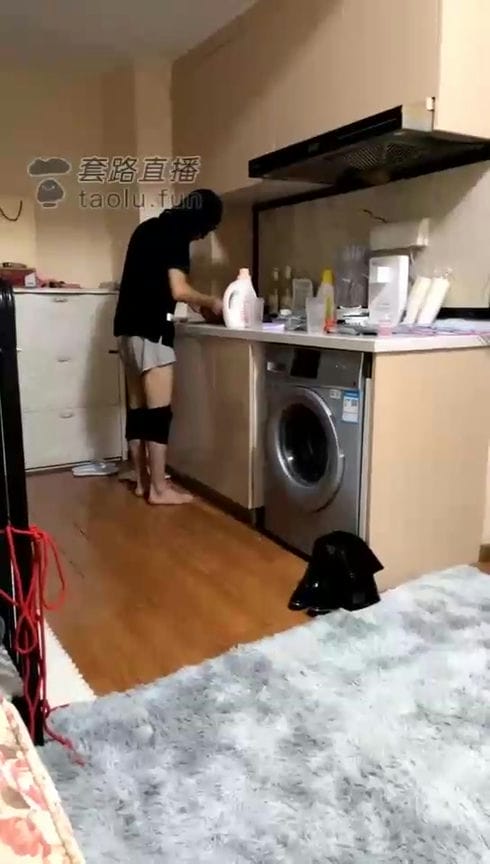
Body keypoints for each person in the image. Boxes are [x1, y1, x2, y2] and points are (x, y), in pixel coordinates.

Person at [114, 189, 224, 505]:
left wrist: (200, 305)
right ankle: (160, 490)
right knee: (158, 415)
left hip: (127, 330)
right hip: (152, 331)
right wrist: (212, 301)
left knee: (138, 413)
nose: (203, 236)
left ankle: (142, 482)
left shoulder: (146, 229)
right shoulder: (176, 234)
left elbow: (154, 283)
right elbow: (178, 290)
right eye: (207, 229)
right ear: (200, 221)